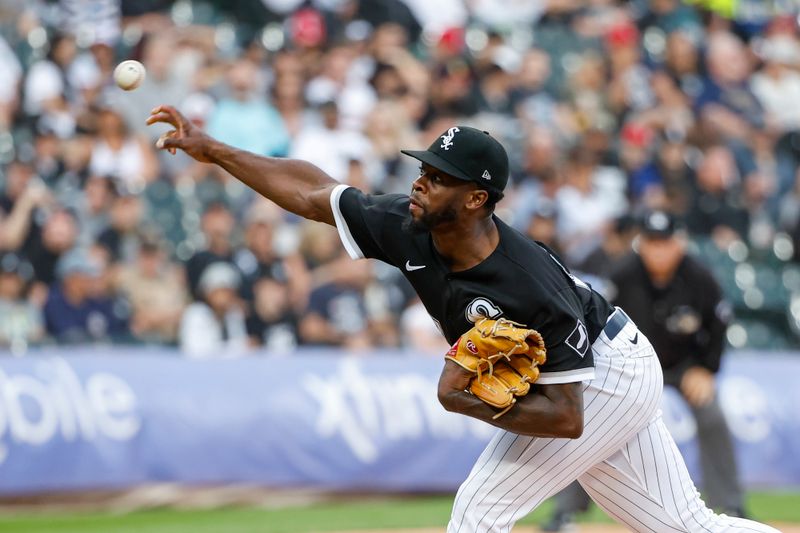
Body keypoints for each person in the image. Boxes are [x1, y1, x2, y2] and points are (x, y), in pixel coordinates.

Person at [146, 105, 780, 533]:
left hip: (605, 375)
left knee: (479, 512)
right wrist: (215, 150)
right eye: (423, 169)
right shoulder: (408, 225)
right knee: (684, 526)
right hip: (599, 367)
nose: (420, 183)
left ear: (476, 198)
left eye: (438, 177)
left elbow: (565, 418)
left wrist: (468, 399)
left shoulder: (528, 283)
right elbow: (316, 192)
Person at [541, 210, 748, 531]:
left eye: (665, 242)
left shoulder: (699, 277)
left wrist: (707, 369)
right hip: (627, 368)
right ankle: (565, 511)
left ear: (679, 244)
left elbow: (719, 323)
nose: (659, 249)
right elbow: (592, 323)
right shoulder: (621, 275)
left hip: (681, 368)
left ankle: (730, 504)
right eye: (652, 242)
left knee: (713, 416)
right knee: (591, 420)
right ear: (642, 244)